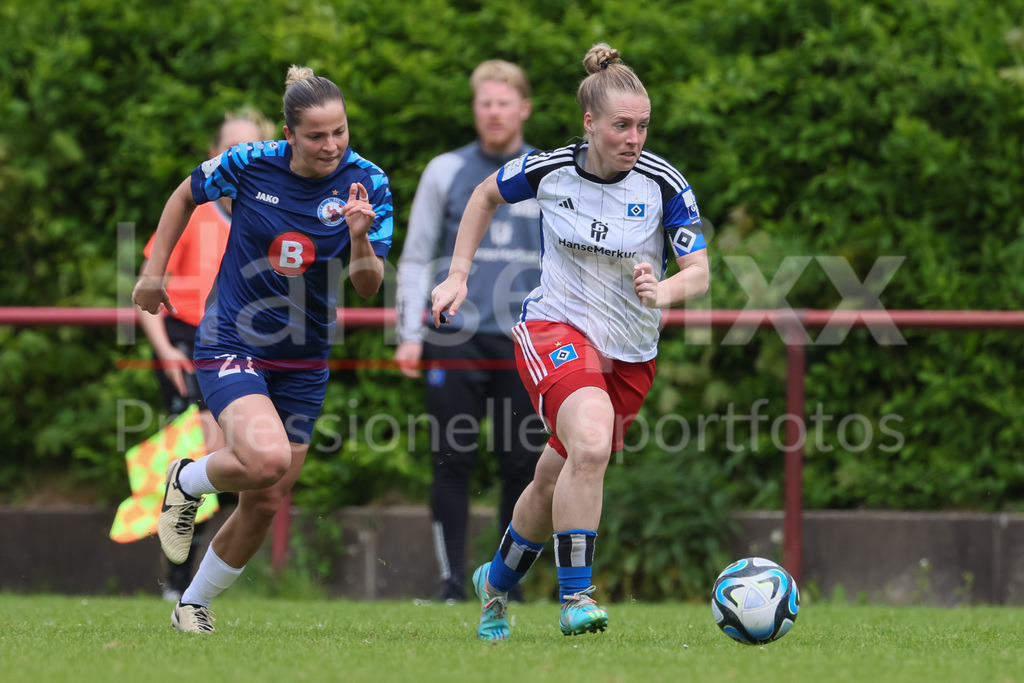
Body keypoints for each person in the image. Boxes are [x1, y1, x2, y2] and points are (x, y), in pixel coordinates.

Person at [430, 43, 710, 640]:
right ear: (590, 123)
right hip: (554, 328)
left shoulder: (664, 182)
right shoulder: (550, 170)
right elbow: (483, 195)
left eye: (642, 125)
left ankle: (496, 585)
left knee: (553, 477)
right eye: (621, 125)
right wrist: (458, 274)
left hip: (630, 354)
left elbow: (701, 273)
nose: (634, 137)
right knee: (589, 441)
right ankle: (576, 597)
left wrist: (663, 290)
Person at [132, 65, 393, 633]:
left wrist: (358, 237)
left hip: (305, 357)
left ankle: (191, 606)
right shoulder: (249, 162)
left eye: (340, 132)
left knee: (268, 498)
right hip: (233, 336)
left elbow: (368, 285)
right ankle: (187, 479)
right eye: (317, 136)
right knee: (266, 459)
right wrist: (154, 274)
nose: (331, 146)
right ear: (289, 133)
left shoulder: (367, 182)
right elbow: (185, 193)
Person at [394, 59, 546, 603]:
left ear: (524, 108)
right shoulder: (445, 171)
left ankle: (509, 584)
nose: (495, 112)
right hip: (454, 336)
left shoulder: (548, 172)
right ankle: (452, 583)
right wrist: (409, 332)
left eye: (505, 102)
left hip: (529, 342)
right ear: (475, 109)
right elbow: (416, 257)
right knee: (451, 459)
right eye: (485, 103)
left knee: (523, 465)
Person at [138, 109, 273, 602]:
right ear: (213, 151)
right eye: (227, 147)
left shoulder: (269, 211)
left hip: (242, 347)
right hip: (190, 342)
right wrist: (167, 354)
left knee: (241, 464)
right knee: (207, 456)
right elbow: (150, 291)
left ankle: (195, 582)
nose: (236, 157)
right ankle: (179, 583)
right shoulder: (197, 212)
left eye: (247, 147)